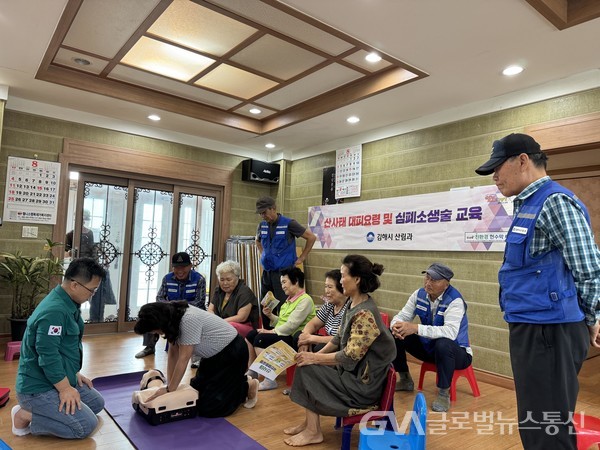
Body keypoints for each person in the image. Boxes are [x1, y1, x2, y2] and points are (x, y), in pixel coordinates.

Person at [475, 133, 600, 449]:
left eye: (497, 167)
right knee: (537, 422)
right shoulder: (528, 204)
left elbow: (588, 267)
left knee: (548, 426)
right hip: (532, 326)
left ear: (521, 161)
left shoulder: (555, 202)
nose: (495, 176)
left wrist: (594, 317)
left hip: (551, 330)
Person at [284, 254, 396, 447]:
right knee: (306, 364)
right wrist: (314, 356)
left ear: (357, 279)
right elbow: (338, 339)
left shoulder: (365, 314)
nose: (341, 279)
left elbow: (350, 357)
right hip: (353, 375)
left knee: (307, 367)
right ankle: (310, 424)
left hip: (363, 386)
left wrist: (314, 358)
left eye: (343, 275)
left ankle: (313, 431)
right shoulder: (353, 304)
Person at [12, 257, 106, 439]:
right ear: (74, 285)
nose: (92, 295)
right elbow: (47, 355)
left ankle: (49, 408)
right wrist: (64, 388)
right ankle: (24, 414)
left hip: (53, 377)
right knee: (84, 426)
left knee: (96, 404)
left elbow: (63, 346)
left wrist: (72, 373)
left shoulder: (68, 303)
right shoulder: (55, 311)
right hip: (37, 388)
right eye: (91, 291)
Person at [133, 301, 259, 417]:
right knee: (195, 393)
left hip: (232, 354)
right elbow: (173, 354)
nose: (156, 333)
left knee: (210, 408)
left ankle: (247, 387)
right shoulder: (171, 318)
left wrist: (169, 389)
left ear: (159, 322)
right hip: (212, 357)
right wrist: (170, 387)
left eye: (155, 330)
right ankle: (236, 382)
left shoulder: (188, 319)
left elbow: (183, 358)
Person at [390, 262, 472, 412]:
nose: (428, 283)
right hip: (429, 349)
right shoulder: (418, 294)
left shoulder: (455, 301)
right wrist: (396, 326)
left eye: (434, 280)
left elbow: (450, 333)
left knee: (443, 343)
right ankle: (405, 379)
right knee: (396, 332)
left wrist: (415, 328)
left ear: (446, 284)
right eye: (427, 277)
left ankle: (443, 393)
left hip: (457, 354)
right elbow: (401, 316)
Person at [246, 266, 316, 391]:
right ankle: (253, 371)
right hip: (282, 334)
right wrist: (270, 316)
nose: (282, 286)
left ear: (295, 281)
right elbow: (281, 322)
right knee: (251, 335)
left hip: (292, 338)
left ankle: (269, 379)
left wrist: (270, 331)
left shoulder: (305, 300)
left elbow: (291, 326)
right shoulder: (287, 301)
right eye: (281, 283)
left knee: (260, 339)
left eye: (284, 282)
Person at [255, 196, 316, 326]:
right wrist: (263, 255)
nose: (262, 216)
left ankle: (282, 334)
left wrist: (303, 257)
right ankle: (266, 331)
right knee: (265, 304)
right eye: (260, 213)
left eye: (264, 212)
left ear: (273, 209)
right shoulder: (262, 225)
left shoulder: (289, 224)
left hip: (284, 273)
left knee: (283, 305)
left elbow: (311, 237)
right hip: (267, 273)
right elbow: (257, 241)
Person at [135, 251, 206, 359]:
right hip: (170, 312)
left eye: (184, 267)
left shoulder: (199, 279)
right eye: (176, 267)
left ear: (190, 266)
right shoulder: (167, 278)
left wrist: (179, 309)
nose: (180, 271)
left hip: (192, 312)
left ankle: (197, 356)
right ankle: (149, 347)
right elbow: (159, 298)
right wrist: (170, 308)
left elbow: (199, 301)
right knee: (150, 313)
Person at [297, 269, 349, 352]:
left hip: (339, 348)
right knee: (298, 336)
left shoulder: (349, 308)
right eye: (326, 286)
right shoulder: (329, 304)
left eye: (330, 287)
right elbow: (313, 324)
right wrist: (305, 339)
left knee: (319, 347)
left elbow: (340, 339)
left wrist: (311, 339)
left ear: (342, 288)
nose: (326, 291)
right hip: (323, 341)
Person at [208, 260, 259, 337]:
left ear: (237, 278)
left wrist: (220, 323)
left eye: (228, 280)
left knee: (229, 327)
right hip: (221, 324)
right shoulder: (218, 290)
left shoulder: (245, 292)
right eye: (222, 280)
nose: (225, 283)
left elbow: (242, 317)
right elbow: (210, 310)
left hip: (244, 326)